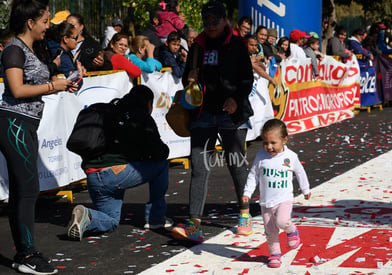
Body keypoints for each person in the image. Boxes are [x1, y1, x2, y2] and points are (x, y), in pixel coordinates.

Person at [0, 0, 75, 273]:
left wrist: (60, 85)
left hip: (26, 124)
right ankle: (26, 254)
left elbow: (37, 85)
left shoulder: (31, 48)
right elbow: (17, 90)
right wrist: (51, 85)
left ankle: (25, 252)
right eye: (44, 21)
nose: (47, 27)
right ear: (30, 22)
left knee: (24, 189)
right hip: (14, 123)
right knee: (28, 189)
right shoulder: (13, 49)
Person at [171, 1, 254, 242]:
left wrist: (236, 100)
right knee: (199, 168)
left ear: (225, 20)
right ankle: (194, 223)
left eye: (214, 21)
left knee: (236, 164)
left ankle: (244, 213)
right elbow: (188, 78)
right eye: (206, 21)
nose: (209, 25)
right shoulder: (197, 46)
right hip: (203, 113)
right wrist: (190, 76)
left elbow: (246, 80)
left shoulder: (237, 44)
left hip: (231, 115)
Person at [67, 85, 173, 241]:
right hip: (116, 174)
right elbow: (158, 152)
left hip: (93, 177)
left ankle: (88, 216)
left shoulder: (110, 111)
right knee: (162, 165)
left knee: (111, 221)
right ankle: (156, 218)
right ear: (149, 102)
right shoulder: (139, 116)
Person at [242, 119, 311, 268]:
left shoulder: (290, 157)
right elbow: (253, 175)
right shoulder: (261, 156)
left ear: (284, 140)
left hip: (284, 199)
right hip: (266, 202)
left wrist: (305, 189)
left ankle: (292, 230)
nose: (269, 147)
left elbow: (300, 172)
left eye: (273, 143)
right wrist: (247, 191)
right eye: (265, 143)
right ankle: (275, 255)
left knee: (282, 221)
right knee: (270, 231)